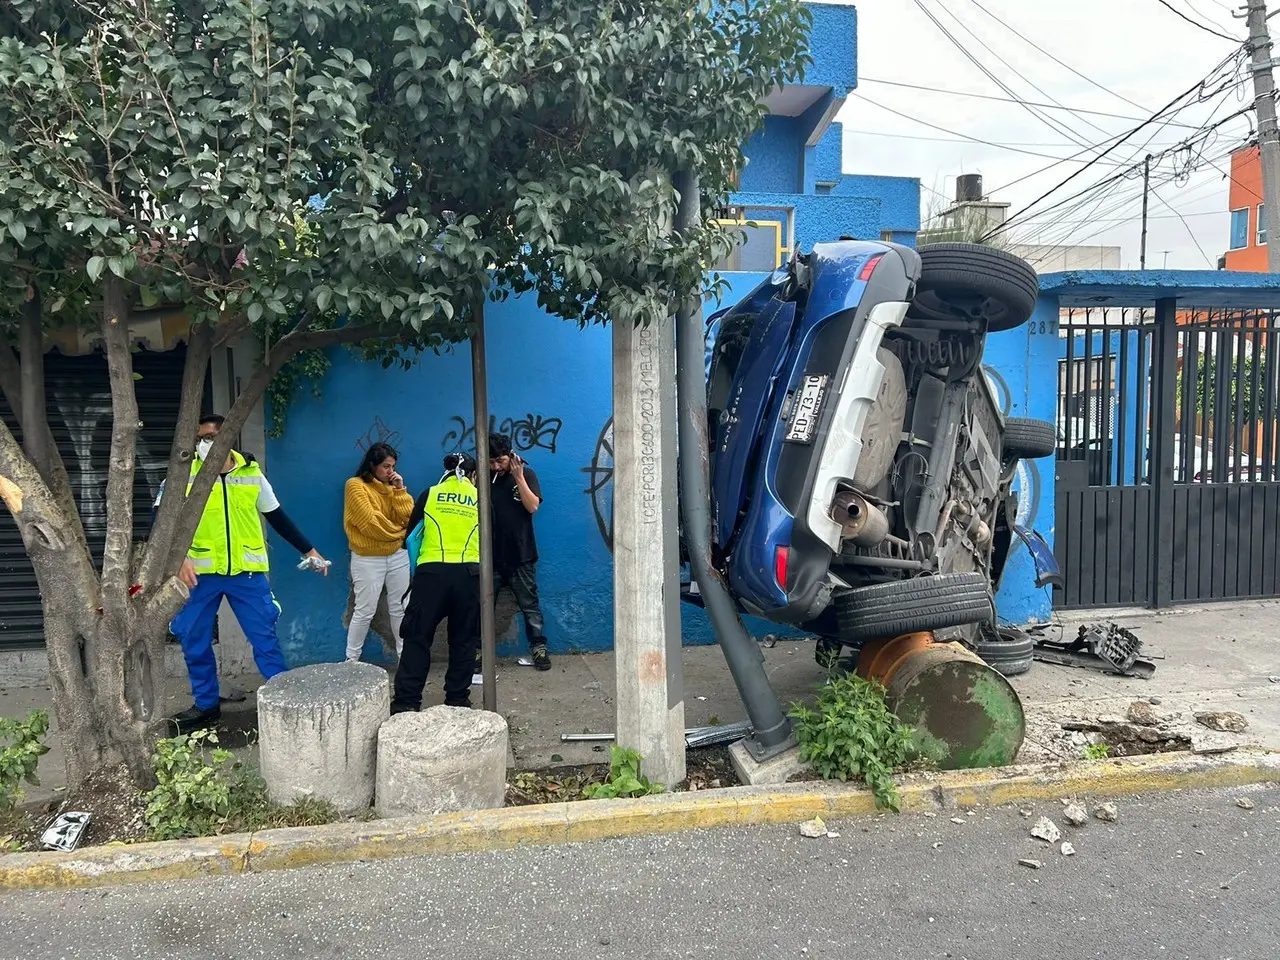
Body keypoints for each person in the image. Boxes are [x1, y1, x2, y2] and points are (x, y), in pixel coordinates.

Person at [167, 414, 328, 733]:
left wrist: (309, 551)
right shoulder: (185, 475)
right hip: (200, 574)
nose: (207, 443)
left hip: (247, 576)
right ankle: (206, 706)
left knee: (264, 638)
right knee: (193, 638)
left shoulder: (252, 473)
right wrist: (177, 559)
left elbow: (278, 518)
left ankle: (285, 703)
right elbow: (164, 520)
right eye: (203, 437)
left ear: (232, 439)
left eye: (215, 436)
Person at [392, 452, 482, 712]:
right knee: (464, 640)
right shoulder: (480, 498)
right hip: (469, 575)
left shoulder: (430, 494)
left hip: (431, 575)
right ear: (473, 475)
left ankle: (406, 703)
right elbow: (492, 538)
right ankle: (456, 699)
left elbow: (411, 535)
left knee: (417, 638)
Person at [343, 442, 414, 662]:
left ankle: (406, 658)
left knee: (401, 608)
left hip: (397, 556)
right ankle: (351, 661)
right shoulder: (355, 486)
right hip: (367, 558)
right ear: (372, 465)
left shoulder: (393, 488)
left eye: (393, 466)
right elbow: (372, 525)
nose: (390, 471)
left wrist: (400, 491)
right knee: (364, 611)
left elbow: (409, 518)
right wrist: (400, 533)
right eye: (385, 466)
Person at [487, 434, 550, 671]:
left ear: (511, 456)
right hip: (490, 556)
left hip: (521, 554)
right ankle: (477, 651)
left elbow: (532, 506)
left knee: (529, 604)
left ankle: (538, 647)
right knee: (481, 606)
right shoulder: (483, 478)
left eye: (500, 461)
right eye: (491, 462)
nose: (496, 467)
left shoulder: (526, 475)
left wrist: (519, 476)